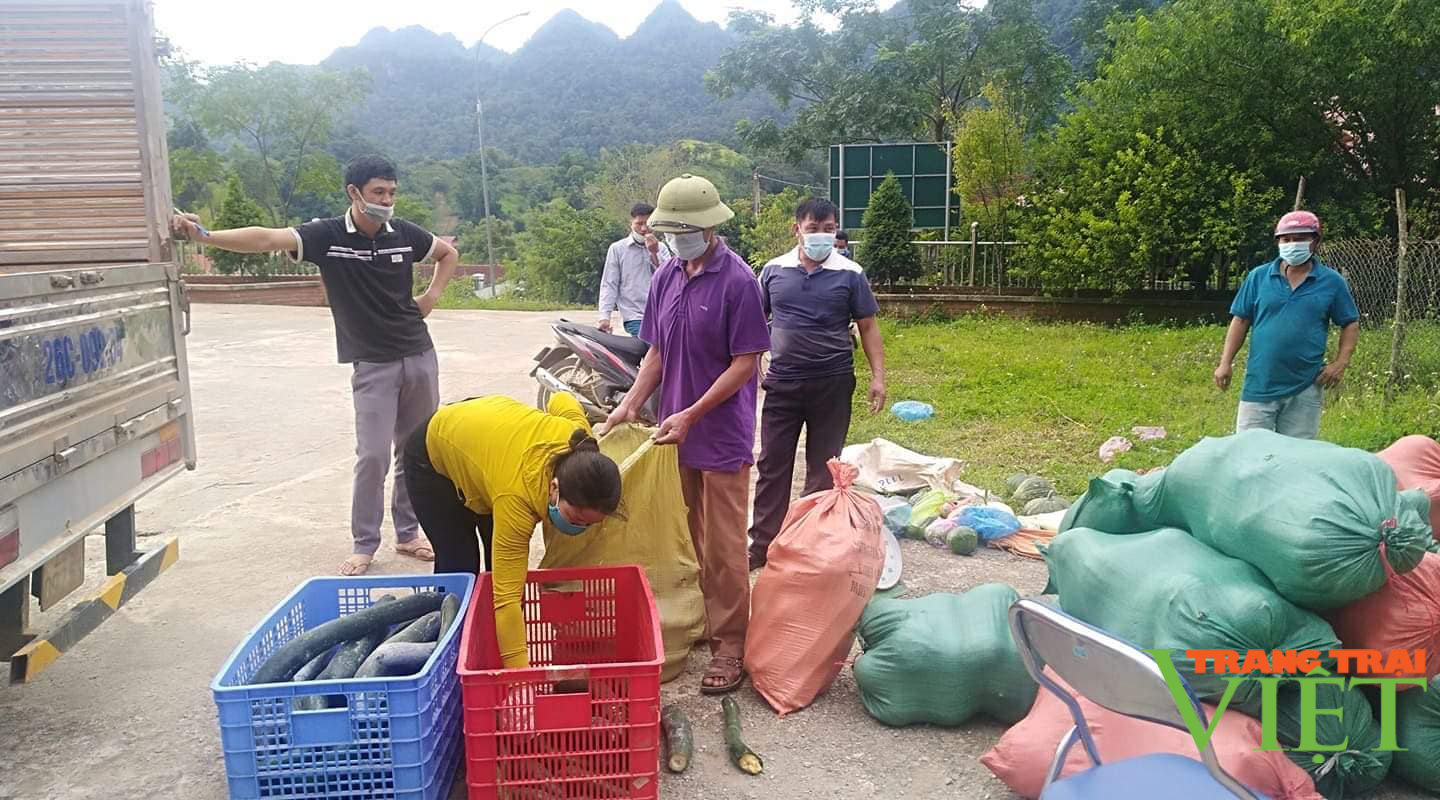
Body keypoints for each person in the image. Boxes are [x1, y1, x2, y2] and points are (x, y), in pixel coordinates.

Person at [170, 155, 459, 575]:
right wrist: (206, 235)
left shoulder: (405, 235)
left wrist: (431, 297)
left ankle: (409, 534)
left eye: (392, 192)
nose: (387, 200)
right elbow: (266, 239)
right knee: (373, 455)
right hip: (372, 364)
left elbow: (446, 253)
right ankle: (365, 543)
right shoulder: (327, 236)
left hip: (419, 355)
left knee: (416, 453)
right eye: (379, 192)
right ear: (354, 193)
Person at [598, 173, 770, 694]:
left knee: (722, 547)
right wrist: (628, 405)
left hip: (719, 436)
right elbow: (655, 354)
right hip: (676, 433)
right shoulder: (667, 275)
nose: (677, 239)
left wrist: (693, 412)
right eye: (670, 231)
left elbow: (746, 364)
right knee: (690, 538)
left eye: (685, 230)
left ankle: (731, 645)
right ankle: (708, 623)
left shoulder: (737, 281)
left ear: (709, 227)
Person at [403, 392, 622, 667]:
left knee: (500, 569)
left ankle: (490, 649)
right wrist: (520, 677)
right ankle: (447, 658)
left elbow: (561, 399)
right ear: (554, 488)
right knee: (460, 567)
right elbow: (506, 599)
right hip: (434, 451)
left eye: (590, 524)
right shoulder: (516, 499)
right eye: (577, 519)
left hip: (488, 444)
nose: (581, 528)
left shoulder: (580, 441)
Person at [747, 198, 886, 570]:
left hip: (833, 383)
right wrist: (754, 361)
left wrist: (878, 376)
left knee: (824, 469)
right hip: (783, 384)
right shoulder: (773, 271)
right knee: (772, 465)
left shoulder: (850, 273)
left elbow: (869, 326)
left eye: (829, 229)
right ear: (797, 230)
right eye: (813, 229)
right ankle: (762, 545)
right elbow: (755, 321)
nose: (822, 236)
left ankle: (809, 544)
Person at [1215, 210, 1359, 440]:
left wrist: (1340, 363)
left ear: (1315, 241)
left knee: (1296, 458)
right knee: (1249, 454)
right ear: (1278, 242)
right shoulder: (1258, 277)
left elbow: (1350, 323)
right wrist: (1225, 363)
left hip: (1306, 386)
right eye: (1286, 239)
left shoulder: (1332, 282)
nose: (1292, 244)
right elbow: (1240, 320)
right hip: (1260, 384)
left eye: (1301, 238)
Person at [598, 203, 672, 337]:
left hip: (661, 314)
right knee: (651, 345)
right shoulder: (617, 249)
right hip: (635, 316)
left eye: (648, 223)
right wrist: (604, 317)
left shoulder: (662, 248)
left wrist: (654, 253)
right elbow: (609, 284)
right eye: (639, 223)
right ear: (630, 223)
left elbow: (669, 280)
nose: (644, 228)